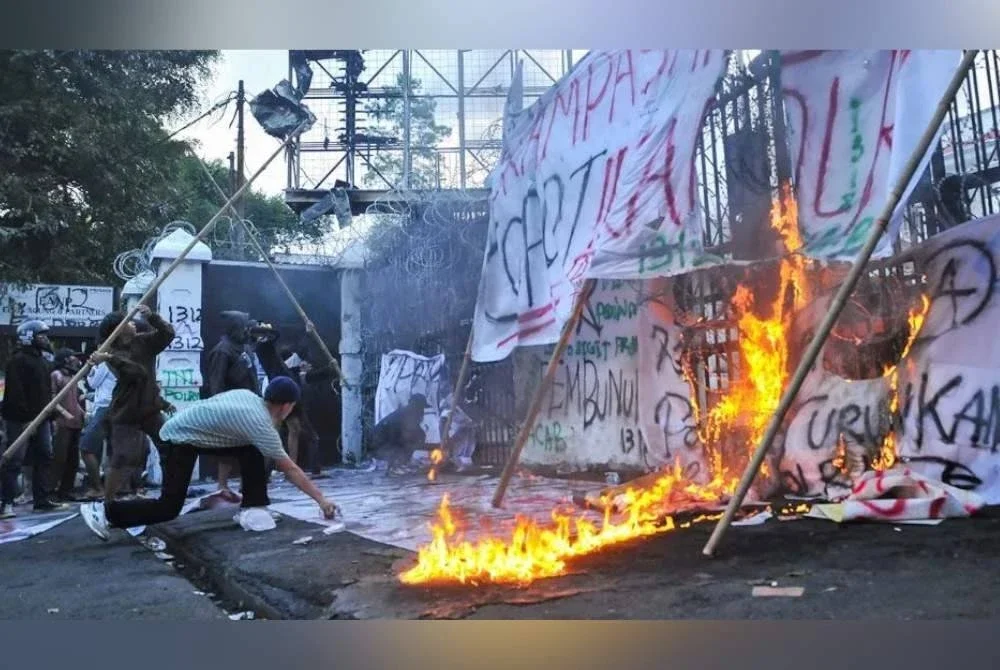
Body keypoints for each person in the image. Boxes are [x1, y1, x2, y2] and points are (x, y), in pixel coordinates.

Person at [78, 377, 338, 541]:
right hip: (179, 440)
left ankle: (253, 507)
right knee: (169, 507)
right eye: (292, 407)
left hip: (193, 432)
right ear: (286, 405)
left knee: (252, 451)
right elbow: (290, 469)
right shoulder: (259, 424)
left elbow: (228, 436)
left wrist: (224, 486)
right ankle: (106, 511)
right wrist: (323, 500)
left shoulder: (250, 398)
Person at [96, 304, 174, 501]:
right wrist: (110, 358)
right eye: (127, 321)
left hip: (150, 409)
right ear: (118, 330)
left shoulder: (143, 342)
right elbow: (136, 372)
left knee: (171, 448)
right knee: (122, 457)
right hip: (126, 411)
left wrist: (152, 317)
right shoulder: (111, 353)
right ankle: (109, 501)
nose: (132, 323)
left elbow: (168, 334)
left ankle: (171, 494)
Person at [0, 320, 68, 517]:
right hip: (20, 419)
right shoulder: (17, 361)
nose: (45, 339)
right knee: (15, 459)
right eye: (41, 335)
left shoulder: (43, 361)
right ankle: (7, 503)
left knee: (45, 455)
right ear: (29, 337)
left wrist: (51, 417)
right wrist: (27, 419)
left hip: (42, 418)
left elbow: (46, 393)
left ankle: (42, 499)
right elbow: (16, 393)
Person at [203, 310, 259, 501]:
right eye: (243, 327)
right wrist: (220, 407)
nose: (246, 330)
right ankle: (222, 485)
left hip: (249, 404)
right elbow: (216, 382)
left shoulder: (244, 347)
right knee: (228, 448)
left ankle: (247, 485)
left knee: (250, 447)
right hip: (231, 406)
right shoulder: (222, 350)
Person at [49, 349, 85, 501]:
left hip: (75, 423)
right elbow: (52, 399)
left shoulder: (73, 377)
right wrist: (64, 413)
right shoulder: (56, 375)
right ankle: (51, 491)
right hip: (62, 423)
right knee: (59, 458)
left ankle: (66, 490)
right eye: (72, 357)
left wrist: (83, 413)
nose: (75, 360)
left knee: (72, 460)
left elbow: (75, 400)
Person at [79, 357, 116, 499]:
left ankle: (97, 488)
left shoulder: (106, 363)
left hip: (105, 408)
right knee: (110, 450)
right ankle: (114, 488)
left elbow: (93, 383)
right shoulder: (117, 362)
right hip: (110, 407)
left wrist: (91, 368)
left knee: (86, 447)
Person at [371, 394, 428, 474]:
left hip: (385, 443)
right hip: (378, 446)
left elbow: (418, 432)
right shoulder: (404, 416)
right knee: (406, 440)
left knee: (415, 437)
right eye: (420, 408)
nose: (422, 411)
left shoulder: (409, 415)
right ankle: (395, 466)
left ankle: (401, 463)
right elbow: (394, 437)